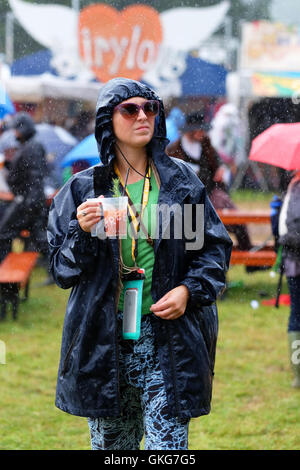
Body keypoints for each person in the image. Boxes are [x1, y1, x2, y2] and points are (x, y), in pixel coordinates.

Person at [47, 77, 232, 451]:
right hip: (104, 341)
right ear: (107, 120)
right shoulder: (84, 189)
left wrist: (187, 290)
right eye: (129, 109)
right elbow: (62, 271)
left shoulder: (181, 183)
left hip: (168, 339)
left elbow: (211, 252)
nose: (142, 116)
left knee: (168, 449)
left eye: (150, 108)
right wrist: (81, 231)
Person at [166, 111, 253, 253]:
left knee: (234, 216)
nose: (203, 132)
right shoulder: (175, 150)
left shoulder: (207, 145)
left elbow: (218, 167)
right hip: (187, 199)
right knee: (195, 234)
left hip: (210, 192)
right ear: (190, 130)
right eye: (200, 129)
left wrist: (221, 171)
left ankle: (248, 252)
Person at [0, 112, 49, 263]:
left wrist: (29, 203)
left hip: (27, 201)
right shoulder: (29, 145)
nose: (14, 133)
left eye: (16, 129)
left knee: (4, 233)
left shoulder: (32, 146)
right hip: (30, 200)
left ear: (23, 129)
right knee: (39, 237)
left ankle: (6, 275)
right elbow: (26, 171)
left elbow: (35, 177)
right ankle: (55, 271)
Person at [278, 170, 300, 388]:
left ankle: (298, 374)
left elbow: (284, 229)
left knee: (296, 314)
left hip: (294, 262)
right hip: (296, 260)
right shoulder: (296, 186)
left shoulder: (294, 186)